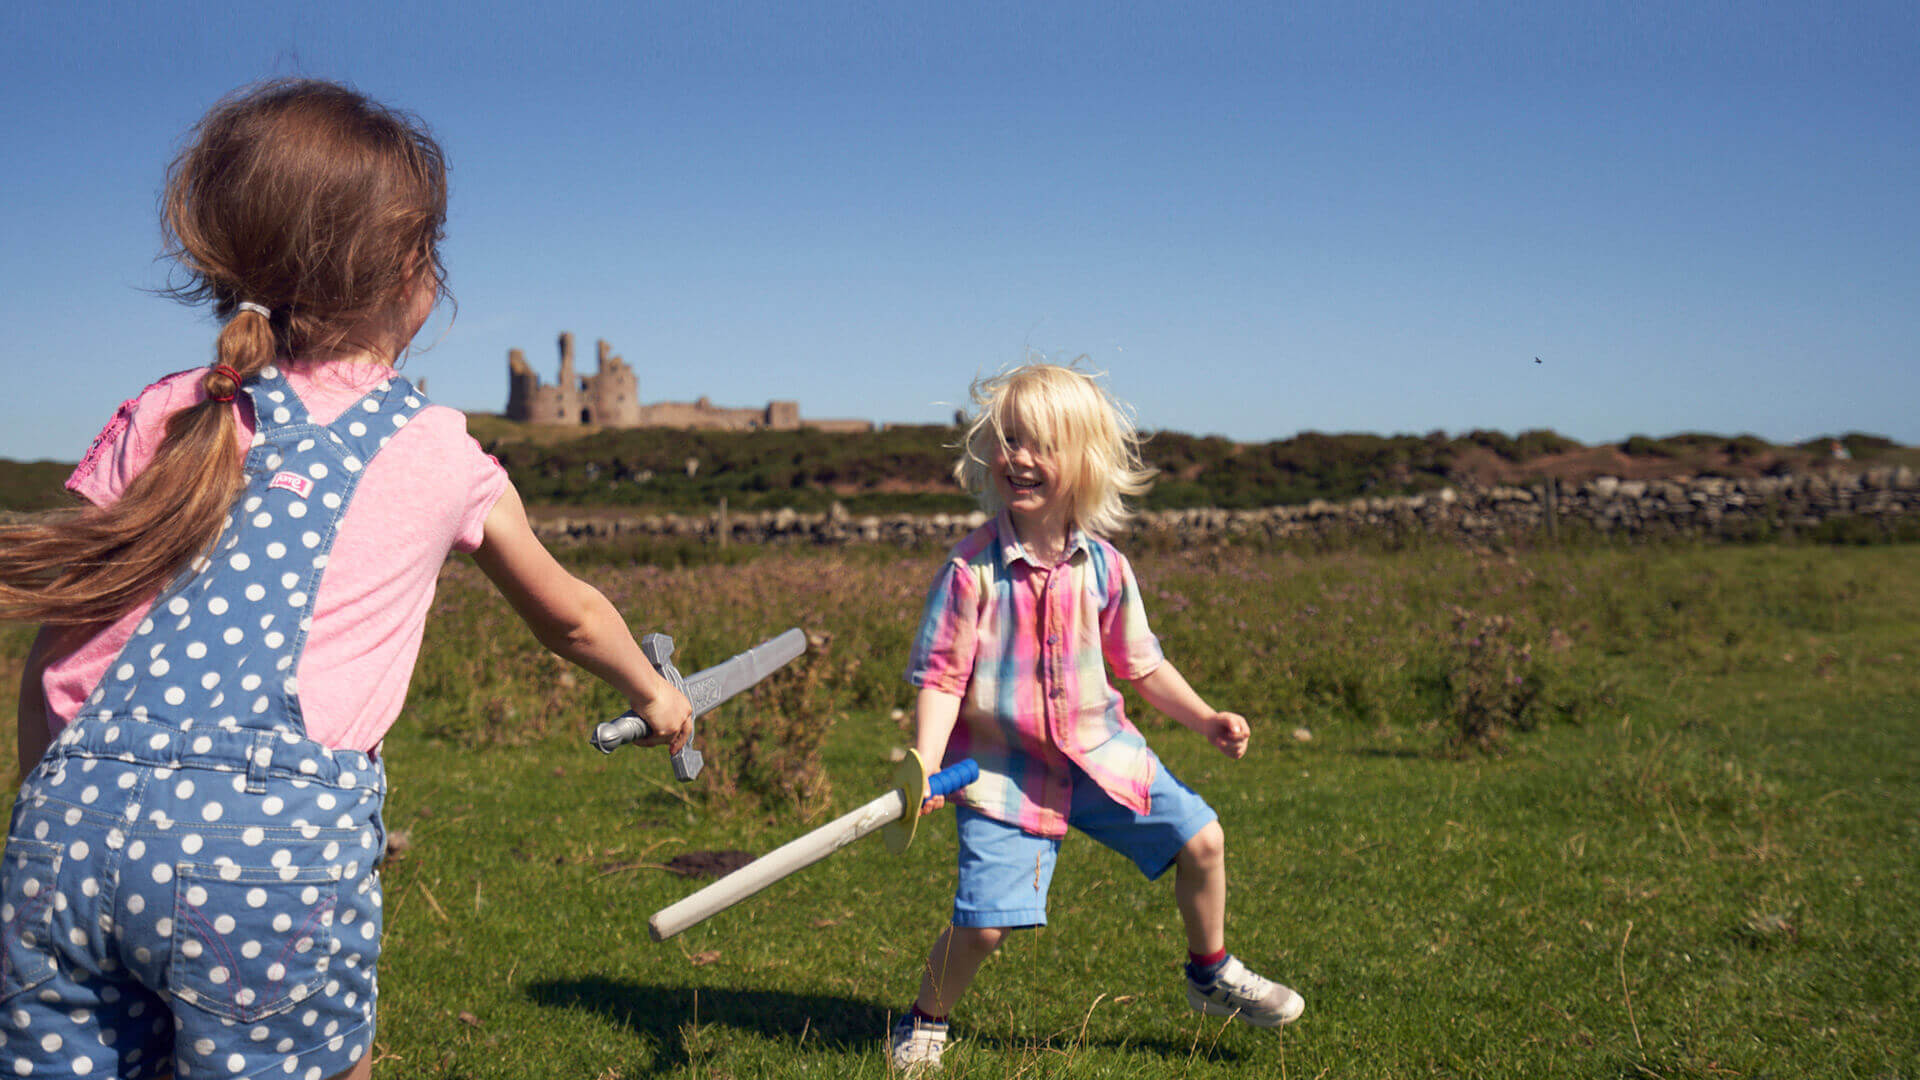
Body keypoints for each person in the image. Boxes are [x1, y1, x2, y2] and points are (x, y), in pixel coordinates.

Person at [0, 80, 692, 1080]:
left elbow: (55, 650)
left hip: (63, 838)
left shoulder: (164, 412)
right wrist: (655, 694)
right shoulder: (435, 447)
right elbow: (576, 618)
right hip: (262, 854)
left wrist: (44, 817)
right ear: (413, 272)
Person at [889, 363, 1303, 1072]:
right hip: (1000, 772)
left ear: (1083, 461)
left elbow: (1141, 664)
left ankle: (1210, 972)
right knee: (984, 927)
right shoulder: (970, 570)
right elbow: (941, 677)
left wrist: (1204, 718)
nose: (1019, 458)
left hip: (1099, 754)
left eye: (1041, 444)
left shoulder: (1106, 567)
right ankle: (926, 1017)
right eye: (1009, 440)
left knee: (1202, 839)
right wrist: (925, 762)